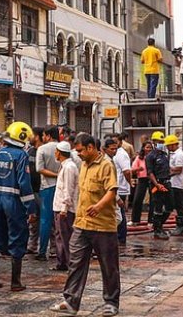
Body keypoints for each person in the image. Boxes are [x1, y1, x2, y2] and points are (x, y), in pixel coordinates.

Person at [49, 135, 121, 317]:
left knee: (108, 266)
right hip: (82, 223)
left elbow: (112, 191)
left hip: (103, 225)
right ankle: (71, 301)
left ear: (90, 147)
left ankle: (111, 302)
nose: (78, 153)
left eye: (80, 150)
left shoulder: (106, 165)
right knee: (75, 262)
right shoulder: (83, 165)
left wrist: (98, 206)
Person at [0, 121, 36, 292]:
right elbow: (24, 183)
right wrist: (31, 208)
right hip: (14, 201)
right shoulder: (21, 155)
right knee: (17, 237)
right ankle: (15, 282)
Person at [52, 141, 79, 272]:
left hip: (65, 209)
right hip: (59, 207)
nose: (55, 153)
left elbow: (68, 189)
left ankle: (69, 263)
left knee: (66, 236)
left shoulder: (69, 167)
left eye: (56, 151)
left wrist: (64, 208)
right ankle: (61, 262)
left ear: (60, 153)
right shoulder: (65, 166)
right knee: (60, 236)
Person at [36, 126, 61, 261]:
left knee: (45, 220)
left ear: (49, 136)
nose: (43, 137)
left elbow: (39, 169)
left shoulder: (42, 149)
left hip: (47, 187)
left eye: (44, 135)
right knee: (60, 220)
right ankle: (60, 251)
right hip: (61, 187)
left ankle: (42, 251)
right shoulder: (64, 148)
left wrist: (55, 175)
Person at [146, 131, 173, 240]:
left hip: (166, 182)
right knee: (158, 207)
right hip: (156, 184)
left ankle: (158, 225)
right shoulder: (150, 156)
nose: (161, 143)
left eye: (162, 141)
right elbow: (150, 172)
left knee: (170, 206)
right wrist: (156, 184)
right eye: (159, 141)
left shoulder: (164, 155)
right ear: (154, 142)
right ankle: (157, 230)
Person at [107, 138, 132, 245]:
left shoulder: (121, 155)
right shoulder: (108, 160)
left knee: (119, 216)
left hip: (119, 189)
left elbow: (127, 171)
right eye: (112, 149)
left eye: (115, 148)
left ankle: (120, 238)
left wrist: (129, 183)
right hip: (114, 190)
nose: (114, 151)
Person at [166, 135, 183, 237]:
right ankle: (180, 226)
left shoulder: (179, 155)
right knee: (177, 205)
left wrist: (168, 172)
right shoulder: (175, 154)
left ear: (173, 145)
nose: (167, 147)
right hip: (174, 183)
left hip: (177, 184)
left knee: (179, 205)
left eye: (168, 145)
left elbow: (178, 169)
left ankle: (182, 227)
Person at [26, 126, 43, 255]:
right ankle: (32, 245)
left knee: (48, 220)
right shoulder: (29, 151)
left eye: (32, 135)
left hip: (42, 190)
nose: (29, 137)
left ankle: (53, 248)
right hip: (31, 190)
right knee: (33, 219)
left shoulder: (43, 151)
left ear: (37, 137)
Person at [130, 141, 153, 225]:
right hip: (142, 179)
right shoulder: (139, 158)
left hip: (152, 180)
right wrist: (138, 169)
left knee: (153, 200)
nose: (149, 149)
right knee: (137, 199)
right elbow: (132, 169)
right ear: (143, 148)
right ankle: (135, 220)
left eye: (150, 147)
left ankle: (151, 221)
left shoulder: (154, 157)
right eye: (147, 147)